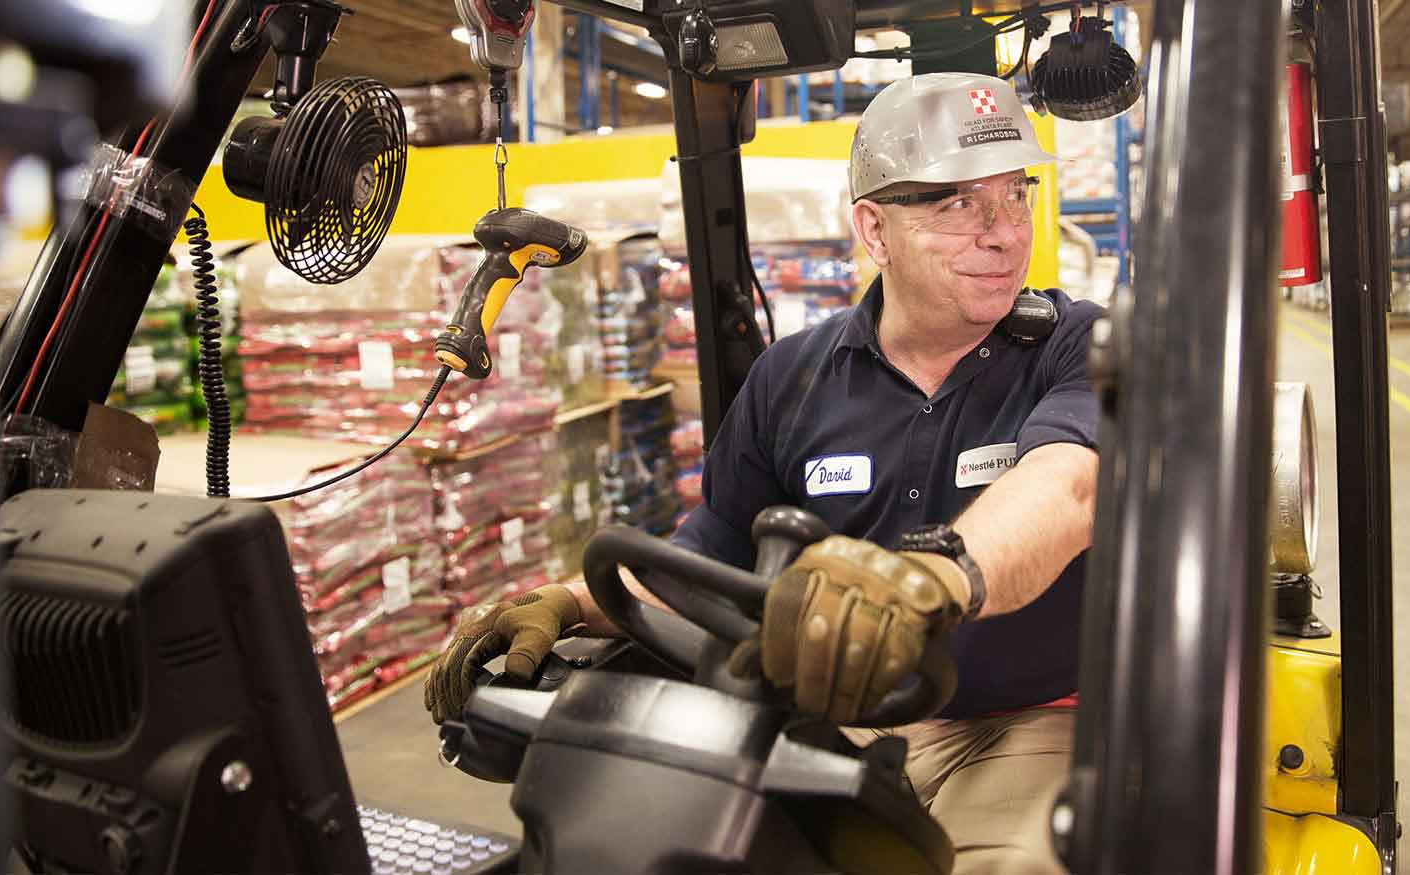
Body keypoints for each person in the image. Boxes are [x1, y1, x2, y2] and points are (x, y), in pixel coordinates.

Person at [425, 72, 1102, 874]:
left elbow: (1067, 486)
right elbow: (713, 552)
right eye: (957, 204)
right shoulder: (793, 377)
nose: (1002, 232)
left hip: (1027, 722)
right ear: (874, 229)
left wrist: (928, 578)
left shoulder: (1075, 344)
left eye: (1014, 196)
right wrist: (566, 602)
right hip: (836, 726)